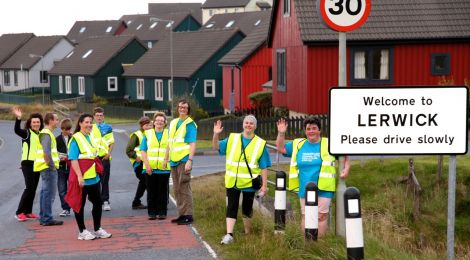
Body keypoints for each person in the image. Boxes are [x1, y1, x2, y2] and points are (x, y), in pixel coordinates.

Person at [276, 116, 350, 236]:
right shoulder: (298, 144)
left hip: (324, 187)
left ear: (319, 130)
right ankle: (307, 246)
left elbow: (345, 156)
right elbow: (280, 148)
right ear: (305, 131)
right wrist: (281, 133)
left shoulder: (328, 143)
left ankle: (318, 246)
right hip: (305, 187)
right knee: (306, 215)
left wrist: (346, 169)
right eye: (308, 128)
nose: (311, 131)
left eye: (314, 128)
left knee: (321, 216)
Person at [213, 115, 271, 245]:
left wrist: (264, 185)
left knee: (247, 208)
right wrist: (216, 134)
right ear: (243, 124)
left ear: (255, 126)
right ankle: (229, 234)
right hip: (233, 180)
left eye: (251, 123)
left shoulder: (260, 143)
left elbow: (264, 166)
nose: (248, 125)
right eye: (246, 123)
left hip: (250, 182)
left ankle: (247, 232)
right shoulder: (232, 138)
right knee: (231, 206)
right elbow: (216, 147)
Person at [66, 113, 112, 240]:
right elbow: (73, 159)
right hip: (81, 178)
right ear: (80, 123)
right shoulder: (75, 138)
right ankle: (82, 231)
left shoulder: (91, 137)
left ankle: (97, 229)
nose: (89, 125)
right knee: (79, 204)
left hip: (93, 178)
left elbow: (93, 155)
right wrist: (80, 177)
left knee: (97, 203)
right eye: (86, 122)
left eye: (90, 122)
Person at [163, 99, 197, 225]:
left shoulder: (190, 124)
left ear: (188, 110)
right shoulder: (173, 122)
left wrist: (190, 160)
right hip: (173, 160)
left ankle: (188, 215)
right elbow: (169, 142)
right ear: (177, 108)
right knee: (177, 188)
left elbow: (193, 143)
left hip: (184, 159)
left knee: (184, 186)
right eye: (180, 107)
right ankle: (181, 214)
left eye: (185, 108)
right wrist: (166, 158)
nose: (182, 109)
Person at [12, 107, 43, 222]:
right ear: (30, 123)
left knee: (33, 189)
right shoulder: (27, 133)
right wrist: (18, 118)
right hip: (27, 164)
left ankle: (28, 212)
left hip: (37, 164)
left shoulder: (41, 134)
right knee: (29, 188)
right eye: (34, 122)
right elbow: (16, 130)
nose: (36, 124)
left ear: (40, 123)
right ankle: (19, 212)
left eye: (38, 122)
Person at [34, 112, 63, 226]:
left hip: (46, 167)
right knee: (48, 194)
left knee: (45, 193)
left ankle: (44, 217)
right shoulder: (46, 134)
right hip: (48, 168)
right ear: (50, 120)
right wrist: (51, 165)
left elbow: (49, 151)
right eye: (56, 119)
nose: (58, 121)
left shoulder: (46, 133)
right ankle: (47, 218)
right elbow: (46, 152)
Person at [140, 112, 171, 220]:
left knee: (162, 192)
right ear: (153, 122)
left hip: (164, 169)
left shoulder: (169, 134)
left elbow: (171, 148)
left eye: (162, 121)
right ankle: (152, 213)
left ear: (165, 123)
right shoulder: (147, 134)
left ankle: (162, 212)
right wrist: (147, 165)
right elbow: (143, 151)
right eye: (157, 120)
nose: (159, 123)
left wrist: (167, 160)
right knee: (151, 191)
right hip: (150, 168)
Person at [125, 116, 152, 210]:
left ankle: (139, 202)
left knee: (146, 182)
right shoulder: (136, 135)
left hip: (148, 162)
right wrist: (137, 158)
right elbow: (129, 150)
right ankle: (137, 202)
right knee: (145, 181)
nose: (148, 127)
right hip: (139, 163)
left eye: (150, 125)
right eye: (146, 125)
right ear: (141, 125)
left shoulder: (151, 134)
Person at [91, 107, 114, 211]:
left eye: (101, 115)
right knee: (95, 180)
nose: (99, 117)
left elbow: (111, 142)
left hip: (104, 157)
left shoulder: (108, 127)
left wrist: (108, 154)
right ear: (94, 117)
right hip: (94, 158)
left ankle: (105, 201)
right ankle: (97, 201)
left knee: (104, 180)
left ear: (103, 116)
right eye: (97, 115)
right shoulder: (90, 127)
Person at [56, 118, 73, 217]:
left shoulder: (74, 138)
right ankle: (65, 208)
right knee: (62, 189)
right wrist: (60, 158)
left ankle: (74, 206)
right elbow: (54, 153)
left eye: (67, 129)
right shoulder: (57, 139)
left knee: (72, 189)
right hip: (61, 168)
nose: (65, 131)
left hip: (72, 167)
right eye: (63, 129)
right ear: (61, 129)